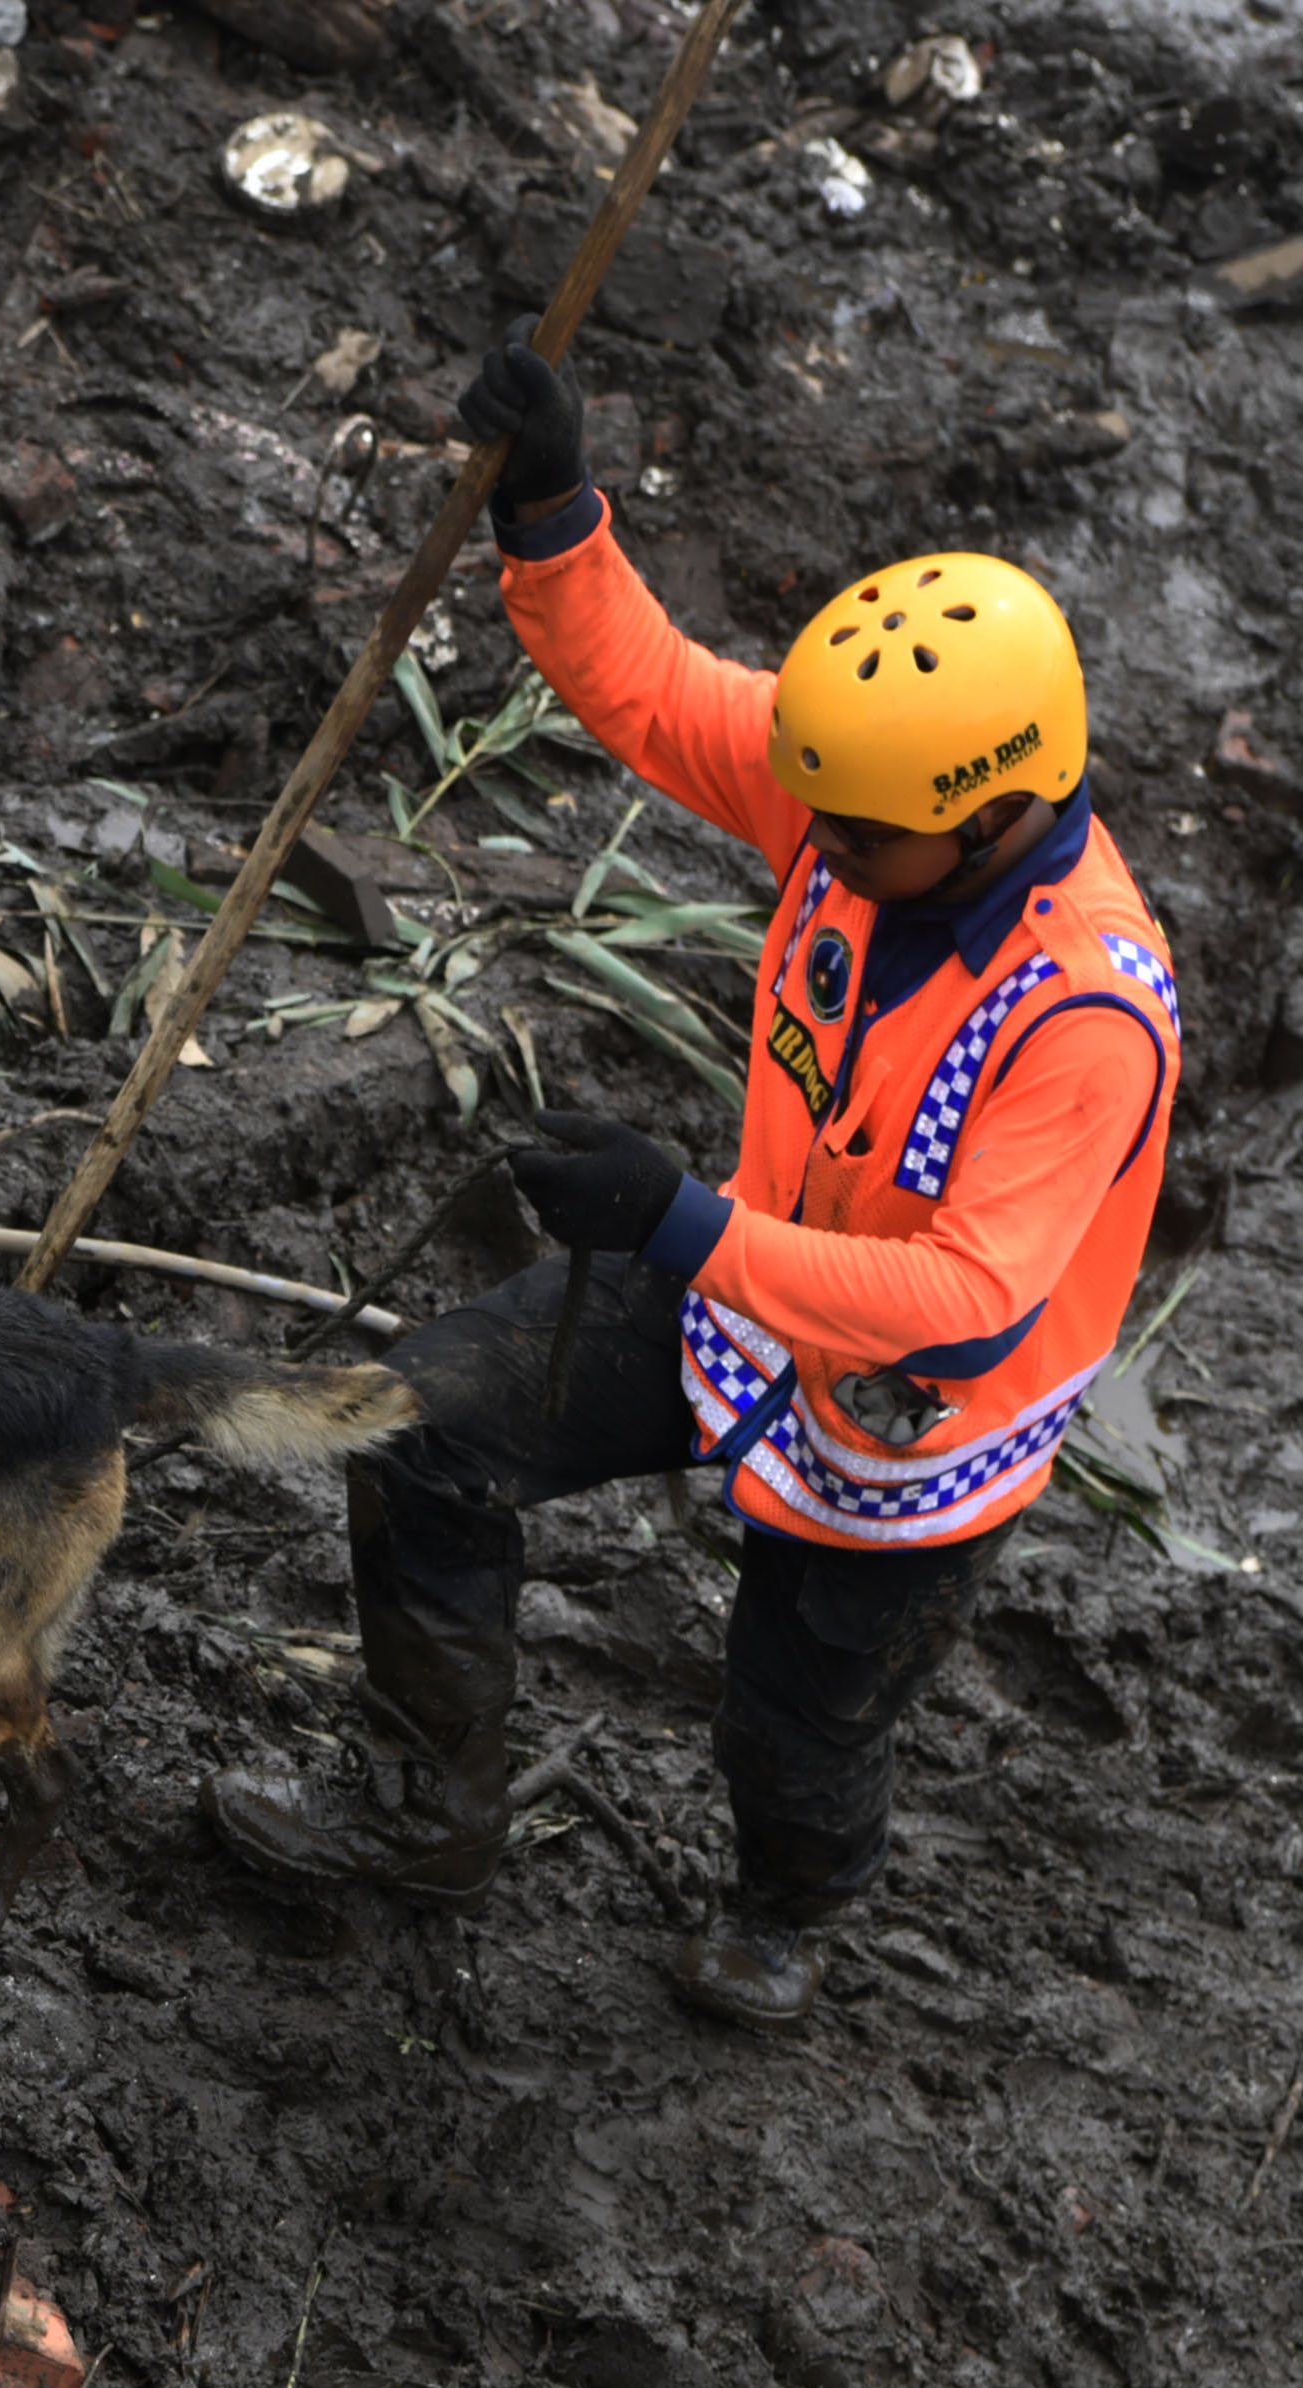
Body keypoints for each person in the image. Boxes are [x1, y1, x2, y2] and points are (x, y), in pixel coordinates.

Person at [204, 332, 1183, 2030]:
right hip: (747, 1283)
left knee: (798, 1725)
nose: (824, 853)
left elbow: (969, 1295)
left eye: (861, 841)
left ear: (1002, 811)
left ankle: (788, 1908)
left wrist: (680, 1221)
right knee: (421, 1432)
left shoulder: (1086, 1008)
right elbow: (653, 692)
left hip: (913, 1426)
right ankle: (426, 1815)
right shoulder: (861, 811)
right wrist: (553, 508)